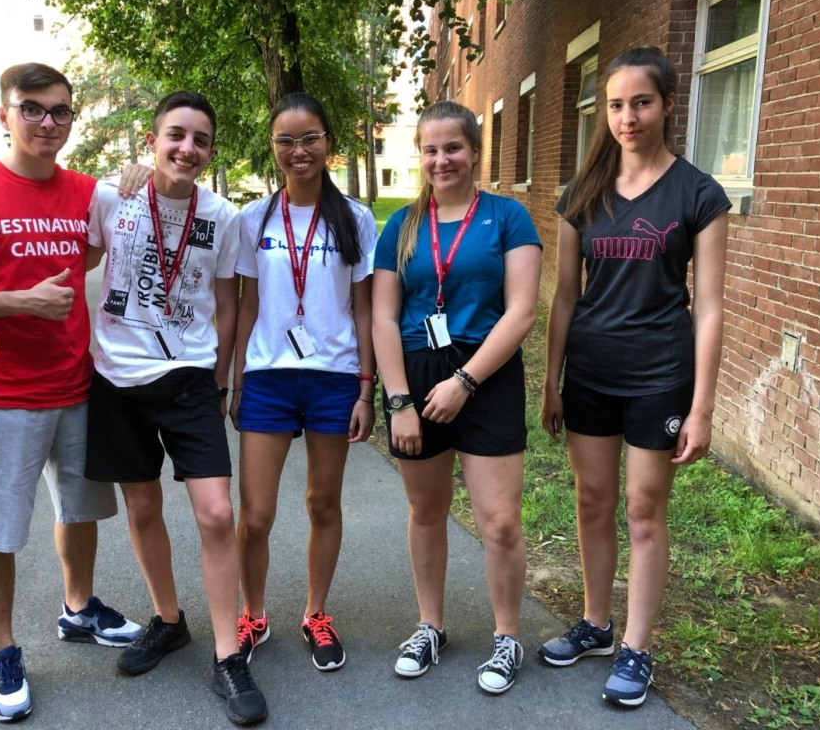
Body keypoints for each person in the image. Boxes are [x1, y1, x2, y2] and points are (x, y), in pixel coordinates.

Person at [0, 63, 142, 724]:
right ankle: (1, 650)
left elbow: (93, 253)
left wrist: (133, 181)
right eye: (32, 109)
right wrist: (19, 301)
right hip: (0, 394)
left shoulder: (82, 192)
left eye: (60, 111)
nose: (47, 122)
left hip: (76, 383)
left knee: (81, 510)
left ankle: (79, 608)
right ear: (3, 115)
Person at [539, 46, 730, 707]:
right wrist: (552, 378)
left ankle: (638, 648)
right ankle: (596, 624)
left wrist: (702, 408)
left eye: (641, 102)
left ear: (668, 104)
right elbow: (564, 295)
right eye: (615, 105)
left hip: (660, 375)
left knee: (644, 514)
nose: (627, 116)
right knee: (592, 502)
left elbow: (708, 306)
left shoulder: (698, 193)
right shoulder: (583, 193)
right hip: (591, 371)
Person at [85, 90, 267, 725]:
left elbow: (227, 304)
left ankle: (227, 655)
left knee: (217, 514)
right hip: (115, 376)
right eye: (177, 135)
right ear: (152, 139)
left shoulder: (223, 215)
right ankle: (169, 620)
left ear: (210, 152)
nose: (188, 147)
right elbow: (76, 260)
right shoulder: (112, 197)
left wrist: (219, 382)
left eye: (201, 140)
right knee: (141, 506)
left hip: (190, 378)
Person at [372, 100, 543, 694]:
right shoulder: (401, 225)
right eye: (430, 149)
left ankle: (506, 636)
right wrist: (399, 401)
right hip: (416, 374)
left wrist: (465, 380)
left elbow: (522, 310)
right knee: (426, 511)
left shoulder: (508, 217)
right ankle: (430, 626)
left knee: (498, 522)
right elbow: (383, 318)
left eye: (453, 148)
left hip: (486, 374)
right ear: (419, 155)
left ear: (474, 152)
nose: (441, 159)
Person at [231, 93, 377, 672]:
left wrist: (367, 388)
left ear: (328, 144)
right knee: (256, 514)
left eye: (309, 138)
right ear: (273, 149)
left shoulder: (356, 218)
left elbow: (365, 310)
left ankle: (317, 613)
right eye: (286, 141)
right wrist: (235, 378)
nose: (298, 151)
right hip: (268, 378)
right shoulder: (254, 219)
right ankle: (253, 614)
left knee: (322, 502)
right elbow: (245, 306)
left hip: (334, 379)